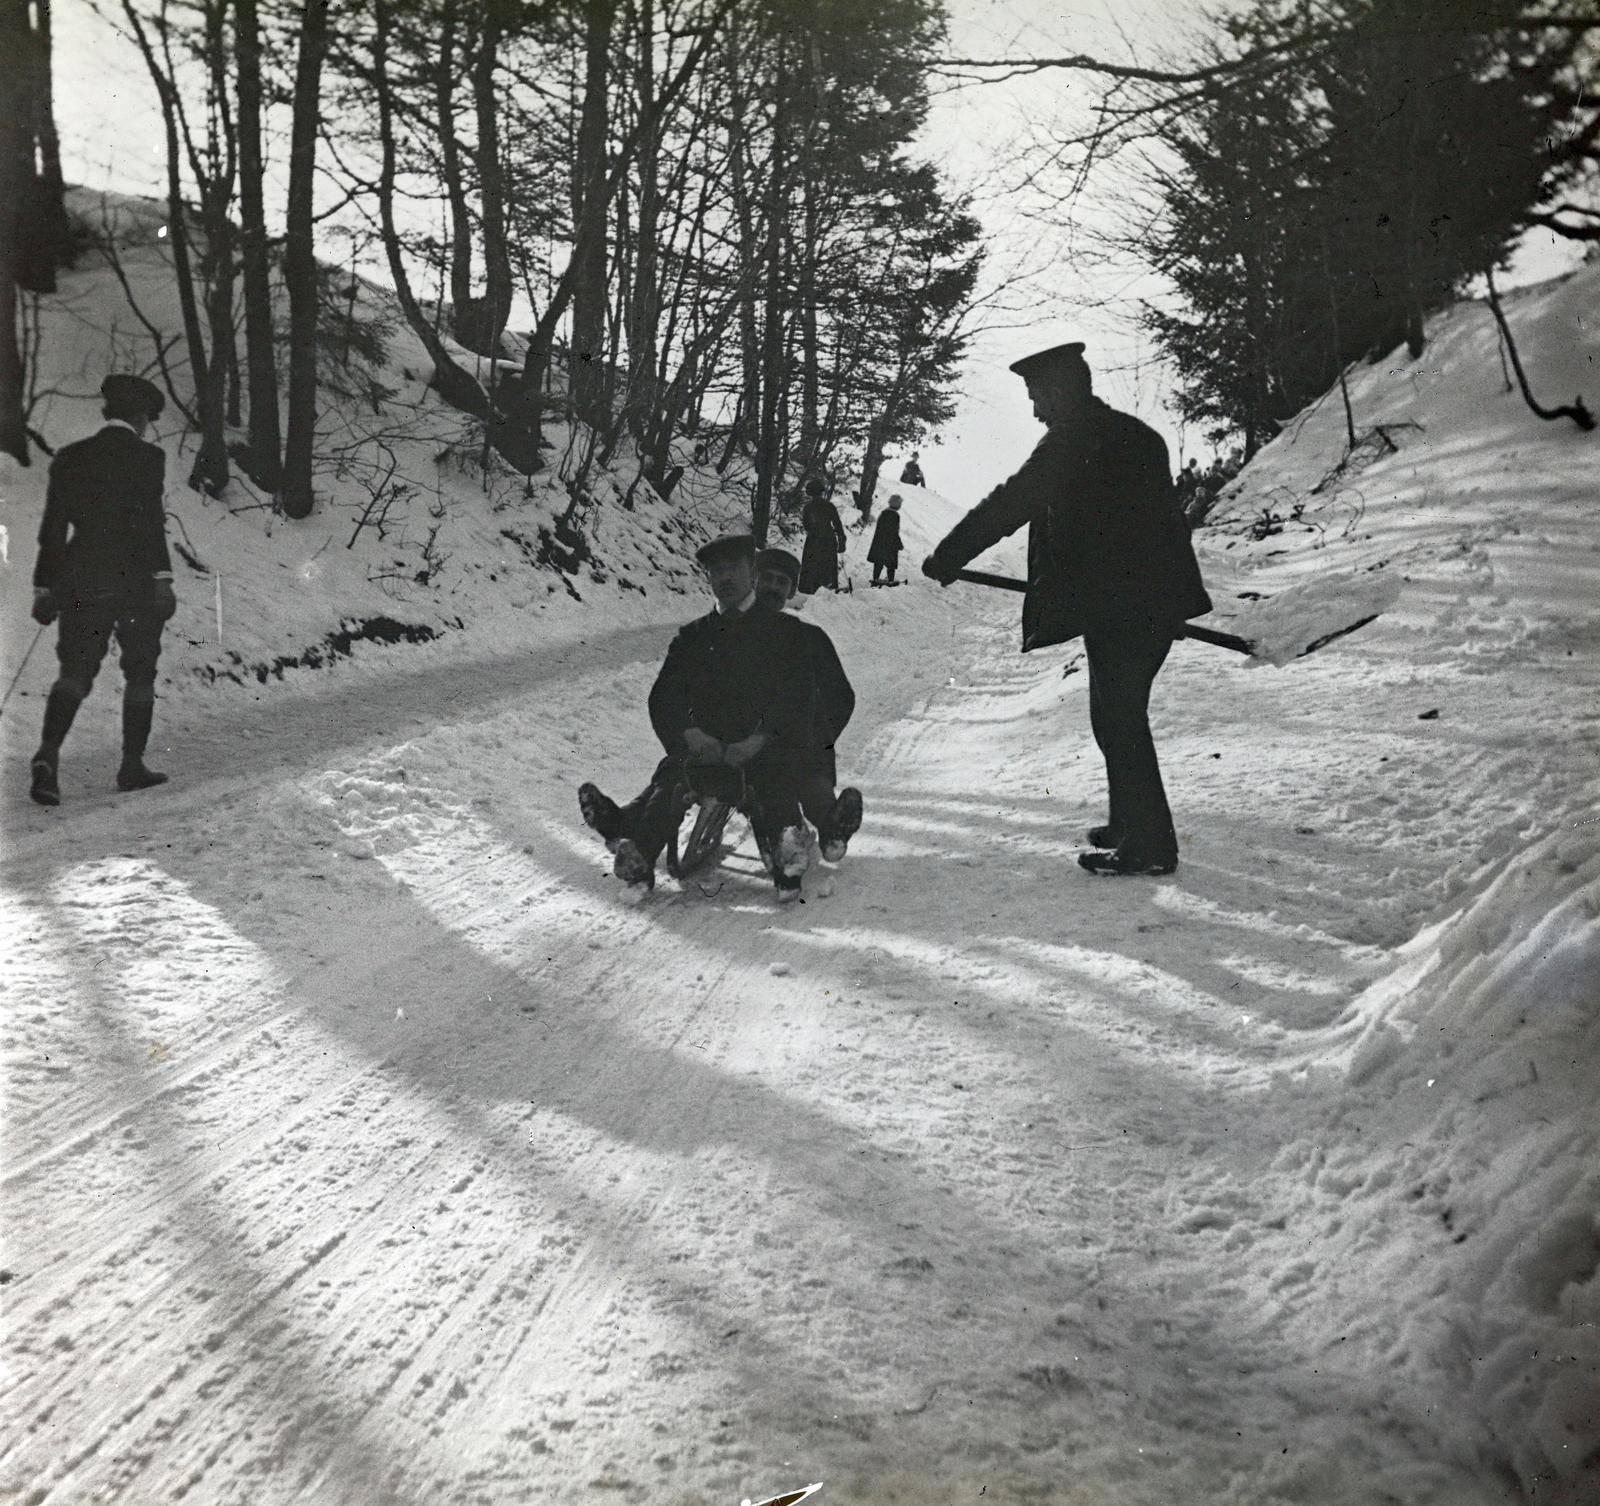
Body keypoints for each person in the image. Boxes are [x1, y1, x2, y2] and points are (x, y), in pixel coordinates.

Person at [921, 341, 1212, 877]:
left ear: (1061, 389)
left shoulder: (1072, 440)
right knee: (1113, 716)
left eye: (1037, 396)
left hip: (1121, 607)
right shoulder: (1137, 436)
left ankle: (1150, 846)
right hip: (1143, 603)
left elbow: (1012, 501)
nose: (1035, 410)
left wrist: (948, 555)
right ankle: (1129, 824)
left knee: (1121, 720)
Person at [577, 533, 813, 899]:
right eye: (716, 570)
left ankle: (786, 855)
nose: (725, 578)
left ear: (752, 570)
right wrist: (690, 734)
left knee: (774, 787)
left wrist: (757, 740)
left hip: (761, 752)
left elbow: (797, 698)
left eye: (734, 567)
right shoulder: (692, 637)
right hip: (704, 752)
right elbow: (664, 698)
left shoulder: (785, 632)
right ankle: (639, 857)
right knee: (670, 783)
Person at [28, 373, 177, 807]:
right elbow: (150, 522)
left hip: (81, 579)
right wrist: (162, 579)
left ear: (106, 411)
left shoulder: (70, 457)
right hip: (135, 583)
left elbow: (52, 527)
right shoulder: (148, 458)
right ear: (140, 416)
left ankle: (48, 754)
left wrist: (45, 587)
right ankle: (132, 766)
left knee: (75, 672)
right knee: (140, 671)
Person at [753, 547, 864, 862]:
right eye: (767, 579)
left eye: (782, 582)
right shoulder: (726, 631)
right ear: (753, 580)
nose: (773, 587)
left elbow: (841, 696)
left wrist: (817, 737)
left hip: (794, 744)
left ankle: (832, 827)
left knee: (809, 768)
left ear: (790, 591)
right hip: (740, 742)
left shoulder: (810, 637)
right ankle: (798, 832)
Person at [797, 476, 847, 594]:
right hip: (828, 540)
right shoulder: (829, 506)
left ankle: (810, 589)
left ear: (810, 493)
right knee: (827, 566)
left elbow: (806, 525)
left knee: (812, 565)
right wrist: (841, 541)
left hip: (813, 540)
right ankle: (827, 590)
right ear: (821, 492)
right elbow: (838, 525)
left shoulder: (808, 507)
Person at [867, 495, 903, 586]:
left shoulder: (883, 513)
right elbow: (894, 531)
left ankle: (875, 578)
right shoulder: (895, 516)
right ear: (897, 504)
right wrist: (899, 543)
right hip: (890, 544)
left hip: (879, 542)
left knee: (878, 562)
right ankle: (891, 579)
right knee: (891, 563)